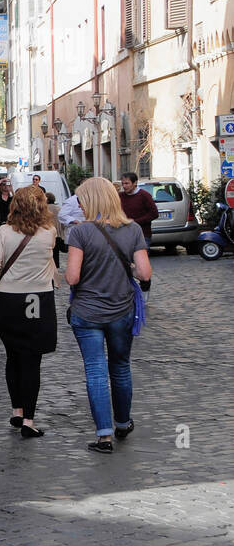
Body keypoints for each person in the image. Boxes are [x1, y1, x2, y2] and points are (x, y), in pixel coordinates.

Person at [66, 177, 153, 454]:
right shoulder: (133, 230)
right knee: (120, 367)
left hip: (87, 312)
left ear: (91, 201)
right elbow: (145, 274)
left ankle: (104, 436)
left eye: (81, 199)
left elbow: (72, 277)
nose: (78, 204)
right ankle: (123, 422)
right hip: (122, 310)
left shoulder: (79, 233)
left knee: (95, 371)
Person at [0, 186, 58, 438]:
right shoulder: (49, 232)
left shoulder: (4, 232)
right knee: (31, 360)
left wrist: (8, 275)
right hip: (37, 300)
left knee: (12, 356)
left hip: (7, 301)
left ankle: (17, 410)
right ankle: (28, 420)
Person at [118, 172, 159, 245]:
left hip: (142, 235)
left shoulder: (144, 195)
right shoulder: (120, 196)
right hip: (124, 235)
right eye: (122, 184)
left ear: (135, 183)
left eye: (127, 183)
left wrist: (135, 221)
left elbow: (154, 214)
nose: (124, 186)